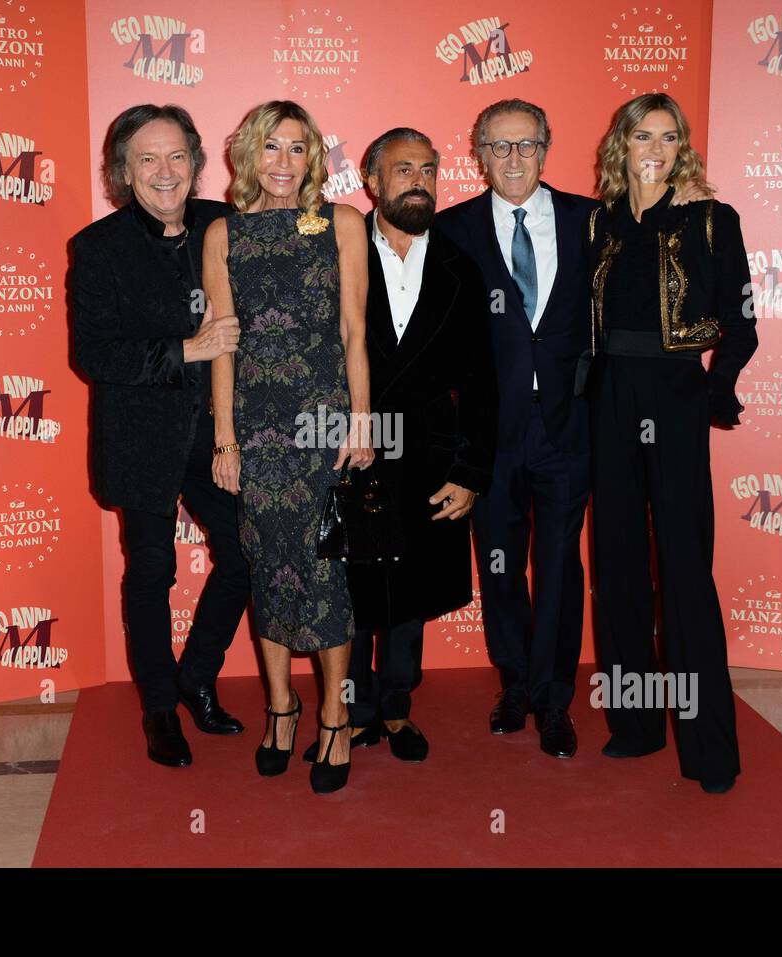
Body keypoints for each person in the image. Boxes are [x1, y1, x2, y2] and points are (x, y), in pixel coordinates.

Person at [436, 98, 711, 761]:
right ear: (477, 152)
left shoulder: (594, 221)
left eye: (526, 145)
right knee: (499, 568)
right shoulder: (451, 231)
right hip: (489, 434)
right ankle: (516, 687)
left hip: (572, 426)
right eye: (499, 146)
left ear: (547, 146)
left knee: (559, 566)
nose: (513, 159)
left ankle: (555, 700)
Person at [299, 128, 497, 765]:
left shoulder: (463, 268)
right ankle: (352, 713)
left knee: (411, 595)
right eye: (402, 168)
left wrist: (469, 471)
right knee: (350, 587)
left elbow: (482, 382)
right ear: (372, 181)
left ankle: (397, 708)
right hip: (349, 444)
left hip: (430, 456)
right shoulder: (334, 250)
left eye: (428, 169)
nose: (418, 179)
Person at [583, 92, 757, 794]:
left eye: (668, 136)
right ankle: (635, 724)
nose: (655, 146)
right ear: (619, 144)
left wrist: (715, 392)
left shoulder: (711, 219)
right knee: (618, 559)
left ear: (681, 145)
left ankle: (708, 746)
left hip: (677, 395)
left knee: (685, 565)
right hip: (608, 398)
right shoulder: (598, 222)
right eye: (641, 134)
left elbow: (741, 323)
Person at [69, 105, 251, 768]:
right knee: (151, 571)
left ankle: (196, 676)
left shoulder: (226, 227)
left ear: (197, 162)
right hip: (140, 436)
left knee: (246, 556)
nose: (165, 171)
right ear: (124, 170)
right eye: (147, 159)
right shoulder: (97, 247)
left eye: (177, 156)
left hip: (220, 434)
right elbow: (94, 354)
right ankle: (157, 709)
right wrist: (185, 349)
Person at [203, 100, 372, 794]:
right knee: (267, 565)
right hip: (257, 422)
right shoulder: (223, 233)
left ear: (315, 159)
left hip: (323, 419)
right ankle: (281, 706)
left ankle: (335, 711)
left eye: (297, 149)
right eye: (270, 147)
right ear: (248, 154)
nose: (282, 162)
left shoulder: (341, 223)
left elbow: (354, 330)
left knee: (326, 569)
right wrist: (225, 438)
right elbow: (222, 339)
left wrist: (363, 417)